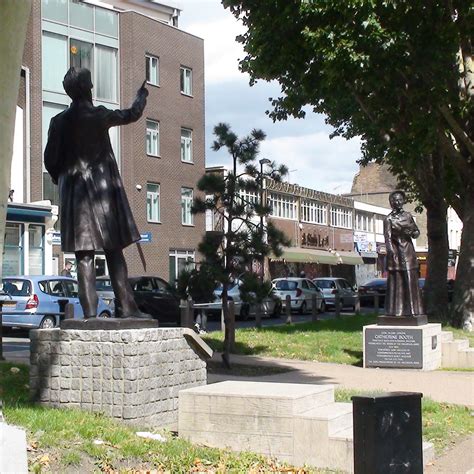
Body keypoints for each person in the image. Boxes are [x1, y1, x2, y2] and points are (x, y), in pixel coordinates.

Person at [44, 67, 149, 319]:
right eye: (90, 86)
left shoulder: (58, 122)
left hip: (75, 197)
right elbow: (132, 114)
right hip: (102, 194)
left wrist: (65, 178)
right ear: (86, 89)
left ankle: (90, 314)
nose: (92, 89)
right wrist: (142, 95)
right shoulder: (99, 115)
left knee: (84, 256)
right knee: (114, 251)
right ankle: (126, 308)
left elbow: (50, 160)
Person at [384, 190, 424, 317]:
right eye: (395, 200)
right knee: (398, 281)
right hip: (397, 252)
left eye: (400, 200)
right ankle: (397, 310)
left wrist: (412, 233)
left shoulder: (408, 216)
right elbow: (388, 238)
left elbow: (416, 231)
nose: (398, 202)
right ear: (391, 203)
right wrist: (391, 253)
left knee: (411, 278)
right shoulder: (389, 219)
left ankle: (414, 310)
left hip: (408, 250)